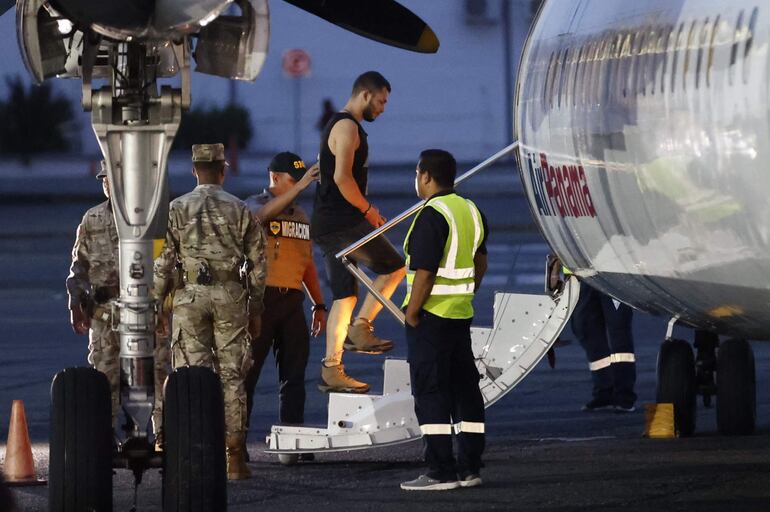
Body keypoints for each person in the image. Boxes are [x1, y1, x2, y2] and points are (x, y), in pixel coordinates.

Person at [153, 143, 266, 480]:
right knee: (232, 377)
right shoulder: (240, 209)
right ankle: (234, 458)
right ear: (223, 168)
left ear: (193, 170)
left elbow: (163, 262)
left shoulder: (176, 208)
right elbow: (258, 262)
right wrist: (255, 306)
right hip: (230, 295)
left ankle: (195, 451)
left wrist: (159, 304)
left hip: (189, 298)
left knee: (190, 377)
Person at [311, 71, 406, 393]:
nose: (382, 109)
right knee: (394, 267)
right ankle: (361, 329)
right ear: (365, 95)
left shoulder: (338, 125)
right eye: (381, 101)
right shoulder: (348, 127)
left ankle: (332, 369)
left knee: (344, 297)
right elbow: (341, 178)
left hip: (328, 223)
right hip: (343, 222)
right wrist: (368, 210)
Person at [400, 149, 488, 491]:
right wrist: (467, 292)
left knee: (431, 392)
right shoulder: (471, 210)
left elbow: (425, 271)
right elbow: (481, 261)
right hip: (460, 314)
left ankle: (440, 471)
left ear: (425, 176)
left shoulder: (431, 214)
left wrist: (411, 311)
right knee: (466, 390)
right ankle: (469, 467)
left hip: (431, 317)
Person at [66, 160, 170, 443]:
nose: (108, 184)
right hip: (104, 314)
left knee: (157, 376)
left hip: (145, 310)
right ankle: (103, 439)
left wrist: (164, 307)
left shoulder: (151, 217)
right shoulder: (92, 219)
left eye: (114, 179)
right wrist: (75, 300)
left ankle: (163, 435)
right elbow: (80, 265)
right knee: (104, 377)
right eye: (105, 180)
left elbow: (167, 262)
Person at [243, 152, 326, 435]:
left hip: (291, 301)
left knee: (294, 376)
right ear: (275, 178)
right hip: (260, 300)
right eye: (294, 180)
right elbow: (257, 218)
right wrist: (301, 188)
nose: (300, 185)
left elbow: (307, 263)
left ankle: (294, 439)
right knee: (247, 375)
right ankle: (236, 444)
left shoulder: (300, 214)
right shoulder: (255, 204)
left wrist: (319, 304)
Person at [570, 281, 637, 412]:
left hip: (612, 275)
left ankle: (624, 396)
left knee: (619, 334)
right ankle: (604, 392)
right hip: (581, 276)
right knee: (586, 329)